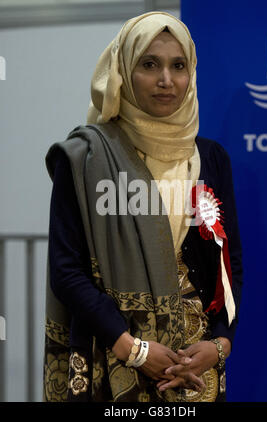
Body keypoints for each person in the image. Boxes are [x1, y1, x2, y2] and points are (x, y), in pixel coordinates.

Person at [43, 11, 242, 402]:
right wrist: (132, 349)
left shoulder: (211, 158)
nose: (166, 80)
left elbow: (229, 264)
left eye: (178, 66)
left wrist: (220, 342)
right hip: (111, 355)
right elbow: (66, 270)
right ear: (122, 71)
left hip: (193, 367)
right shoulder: (85, 157)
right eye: (149, 64)